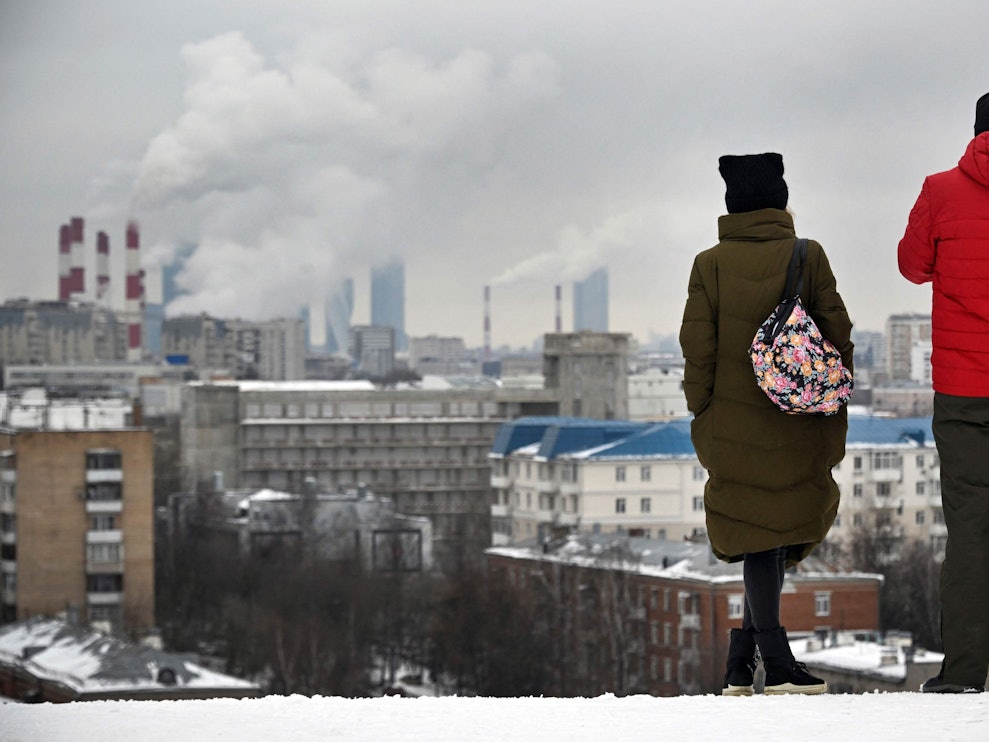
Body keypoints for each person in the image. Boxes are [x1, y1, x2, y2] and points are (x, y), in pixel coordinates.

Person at [679, 152, 854, 695]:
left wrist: (702, 411)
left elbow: (697, 350)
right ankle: (775, 663)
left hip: (730, 422)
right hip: (796, 417)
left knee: (762, 535)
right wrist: (831, 396)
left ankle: (741, 662)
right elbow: (837, 333)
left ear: (732, 205)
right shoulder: (808, 255)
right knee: (769, 538)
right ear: (780, 201)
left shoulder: (708, 264)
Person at [898, 92, 989, 694]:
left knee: (971, 529)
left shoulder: (940, 188)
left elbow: (912, 265)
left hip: (963, 392)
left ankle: (962, 672)